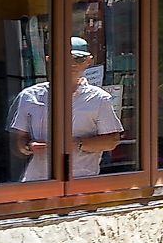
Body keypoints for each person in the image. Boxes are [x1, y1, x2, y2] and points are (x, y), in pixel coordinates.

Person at [11, 37, 123, 178]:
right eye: (65, 58)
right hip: (36, 183)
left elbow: (112, 140)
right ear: (50, 59)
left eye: (78, 59)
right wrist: (28, 147)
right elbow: (17, 142)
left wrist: (77, 144)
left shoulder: (99, 98)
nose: (72, 64)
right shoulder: (29, 96)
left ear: (89, 61)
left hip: (80, 183)